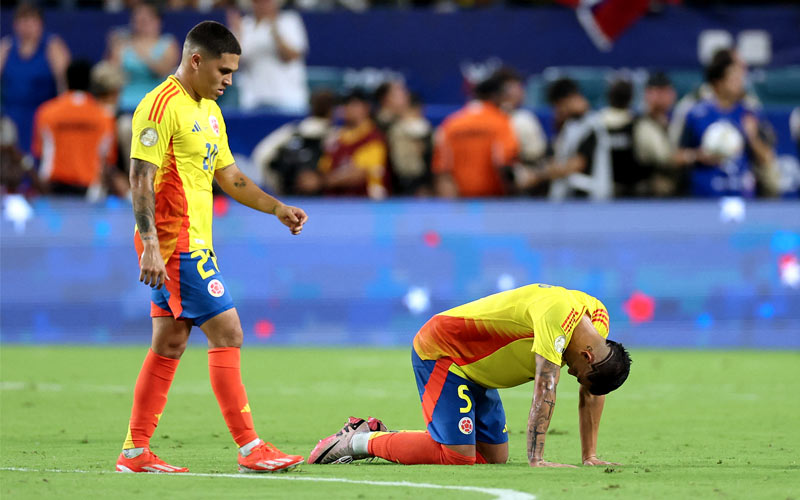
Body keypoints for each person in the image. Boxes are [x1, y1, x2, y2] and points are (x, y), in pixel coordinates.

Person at [115, 20, 308, 475]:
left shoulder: (210, 111)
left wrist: (276, 208)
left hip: (192, 245)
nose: (229, 81)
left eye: (234, 72)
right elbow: (139, 180)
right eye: (224, 70)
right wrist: (150, 246)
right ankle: (249, 447)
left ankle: (135, 451)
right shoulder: (159, 106)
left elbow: (231, 178)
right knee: (229, 332)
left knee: (170, 342)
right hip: (174, 245)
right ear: (195, 60)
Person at [308, 283, 631, 467]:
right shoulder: (556, 318)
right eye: (577, 372)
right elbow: (545, 388)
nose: (570, 372)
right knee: (457, 457)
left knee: (494, 458)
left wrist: (590, 456)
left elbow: (593, 389)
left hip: (479, 373)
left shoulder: (597, 328)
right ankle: (356, 441)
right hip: (444, 353)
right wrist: (537, 459)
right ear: (588, 356)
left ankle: (373, 429)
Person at [679, 49, 776, 197]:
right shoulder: (695, 113)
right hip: (703, 197)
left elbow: (768, 158)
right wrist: (697, 156)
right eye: (734, 79)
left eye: (740, 78)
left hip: (742, 196)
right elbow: (674, 156)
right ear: (718, 82)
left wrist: (752, 138)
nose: (740, 83)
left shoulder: (750, 112)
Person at [31, 60, 117, 198]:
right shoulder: (104, 116)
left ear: (66, 80)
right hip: (90, 191)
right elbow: (107, 159)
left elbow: (40, 151)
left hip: (52, 188)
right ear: (90, 82)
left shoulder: (46, 112)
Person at [432, 73, 519, 198]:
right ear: (496, 97)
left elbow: (442, 170)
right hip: (495, 202)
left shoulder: (451, 123)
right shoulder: (501, 122)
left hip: (460, 203)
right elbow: (504, 162)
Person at [0, 3, 71, 154]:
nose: (27, 26)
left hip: (43, 114)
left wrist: (63, 115)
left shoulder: (53, 46)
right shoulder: (6, 47)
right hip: (12, 115)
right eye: (23, 21)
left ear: (41, 23)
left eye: (32, 21)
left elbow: (64, 83)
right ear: (15, 25)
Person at [250, 88, 337, 195]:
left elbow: (261, 155)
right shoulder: (336, 135)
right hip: (327, 201)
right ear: (332, 110)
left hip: (291, 197)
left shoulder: (292, 130)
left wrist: (277, 189)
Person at [229, 0, 309, 112]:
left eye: (267, 1)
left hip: (288, 100)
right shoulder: (243, 26)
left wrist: (275, 31)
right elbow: (232, 64)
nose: (263, 5)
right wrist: (238, 35)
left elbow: (291, 56)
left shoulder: (289, 21)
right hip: (253, 101)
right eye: (257, 2)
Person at [108, 2, 180, 114]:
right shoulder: (123, 44)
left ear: (157, 21)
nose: (141, 24)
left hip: (158, 103)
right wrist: (113, 47)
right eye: (137, 20)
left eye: (145, 20)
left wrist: (141, 49)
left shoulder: (168, 43)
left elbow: (163, 71)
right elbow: (112, 74)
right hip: (126, 101)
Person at [317, 88, 390, 199]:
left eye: (352, 104)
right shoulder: (335, 137)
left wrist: (321, 182)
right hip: (335, 204)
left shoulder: (373, 137)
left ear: (366, 108)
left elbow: (360, 174)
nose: (346, 108)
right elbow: (324, 168)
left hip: (366, 205)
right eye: (344, 104)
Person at [632, 72, 694, 197]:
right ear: (647, 94)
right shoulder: (642, 124)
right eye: (657, 91)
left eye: (666, 91)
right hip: (652, 195)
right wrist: (695, 156)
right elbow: (667, 158)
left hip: (678, 192)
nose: (662, 96)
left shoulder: (674, 121)